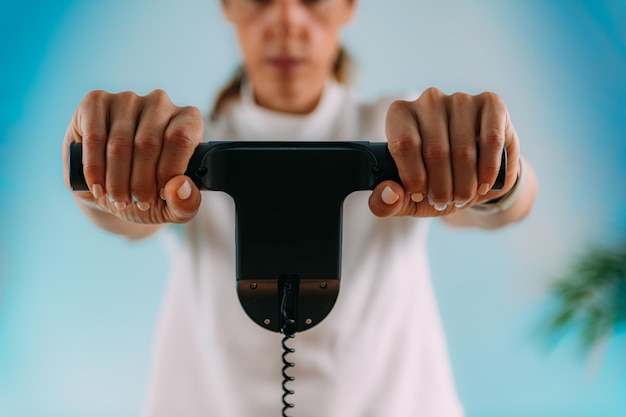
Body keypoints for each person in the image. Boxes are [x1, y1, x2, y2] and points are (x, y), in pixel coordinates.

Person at [62, 0, 538, 416]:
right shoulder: (178, 148)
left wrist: (498, 176)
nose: (287, 19)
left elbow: (499, 204)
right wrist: (101, 170)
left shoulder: (406, 139)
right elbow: (120, 220)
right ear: (228, 5)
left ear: (349, 6)